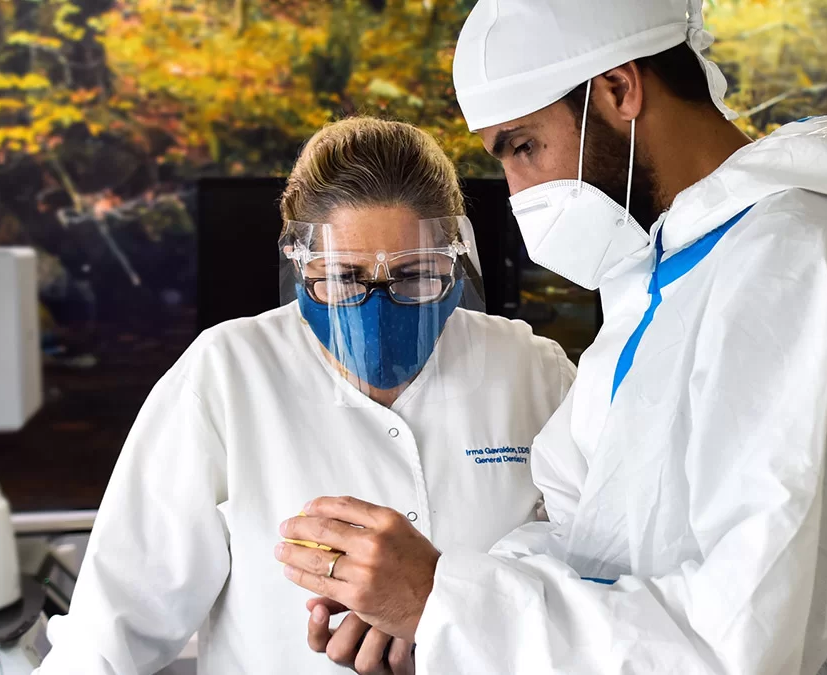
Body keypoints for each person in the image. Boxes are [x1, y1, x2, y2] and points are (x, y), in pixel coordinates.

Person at [275, 1, 827, 674]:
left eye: (523, 146)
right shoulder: (660, 280)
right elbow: (583, 543)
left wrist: (444, 601)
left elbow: (745, 641)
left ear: (618, 88)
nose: (517, 190)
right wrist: (427, 612)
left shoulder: (802, 262)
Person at [35, 117, 576, 674]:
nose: (377, 307)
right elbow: (111, 630)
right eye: (342, 277)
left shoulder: (532, 371)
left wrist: (450, 608)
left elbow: (592, 576)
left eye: (416, 275)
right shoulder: (228, 373)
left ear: (453, 260)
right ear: (299, 265)